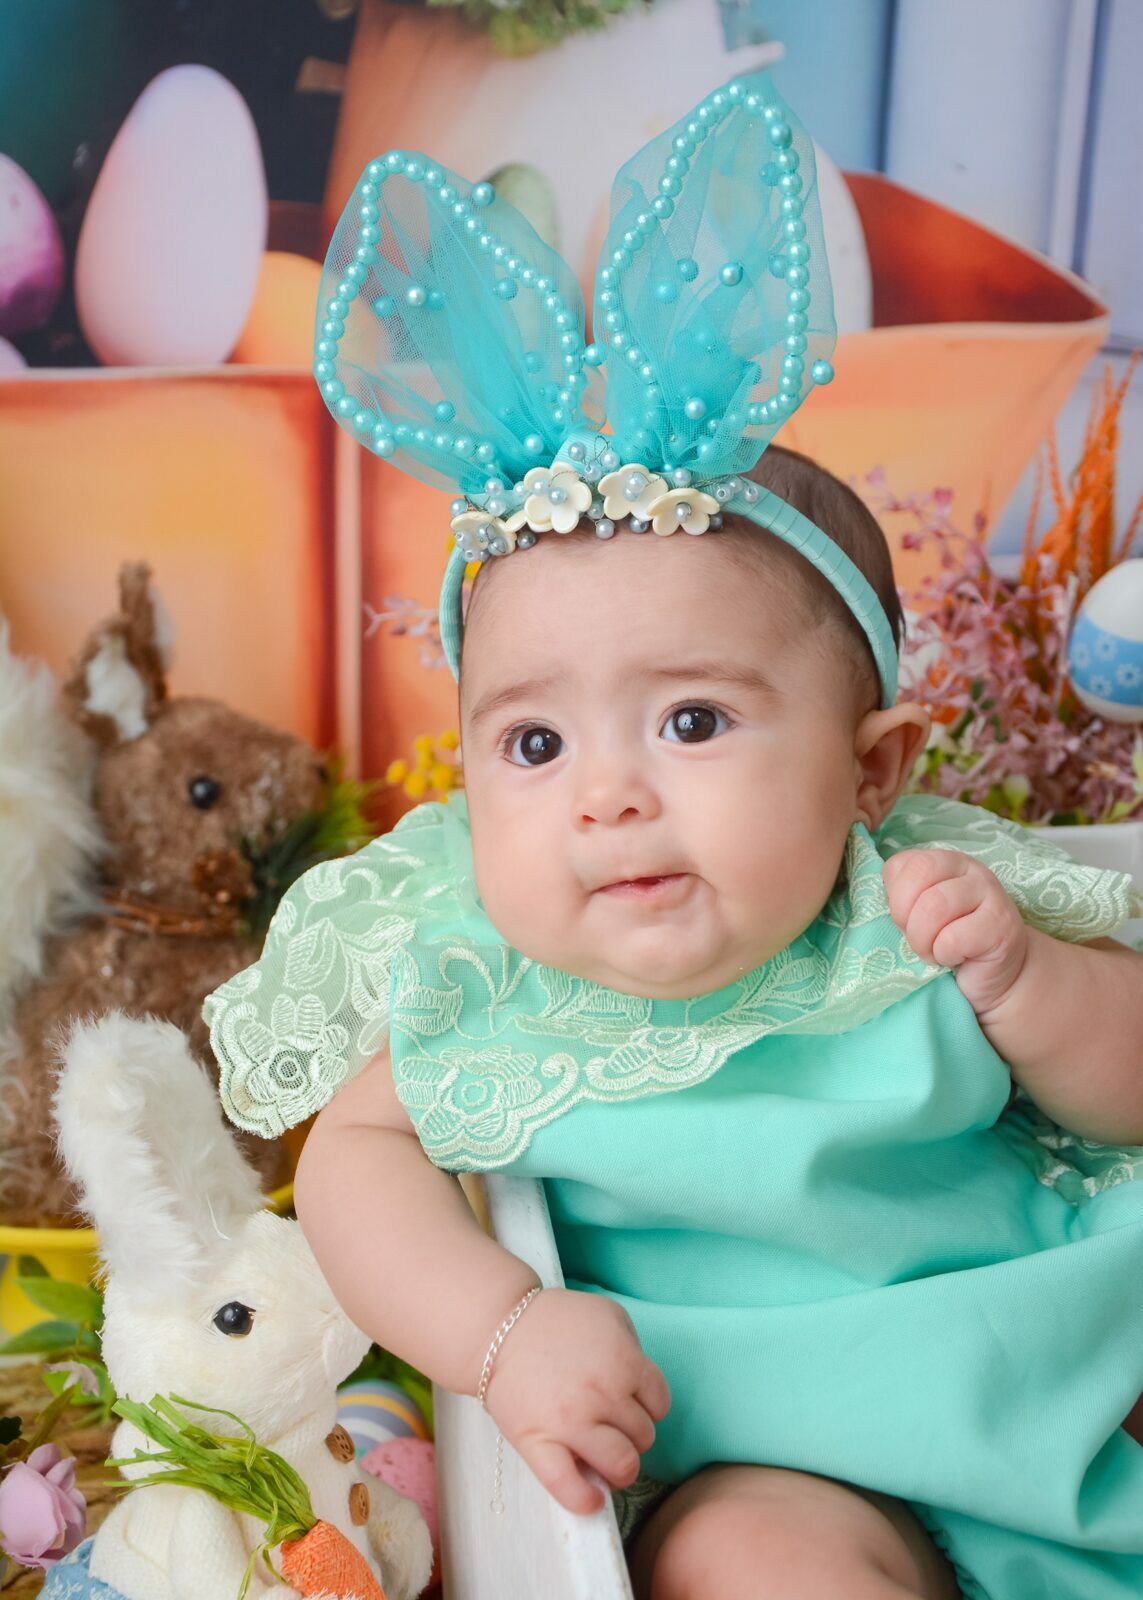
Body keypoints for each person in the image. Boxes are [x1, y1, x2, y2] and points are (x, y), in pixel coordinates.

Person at [205, 71, 1143, 1600]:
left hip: (1052, 1417)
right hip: (759, 1467)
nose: (608, 795)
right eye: (535, 744)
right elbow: (353, 1171)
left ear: (871, 771)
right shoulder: (489, 976)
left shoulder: (921, 908)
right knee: (748, 1560)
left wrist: (1036, 989)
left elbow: (1131, 1099)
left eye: (693, 721)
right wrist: (503, 1331)